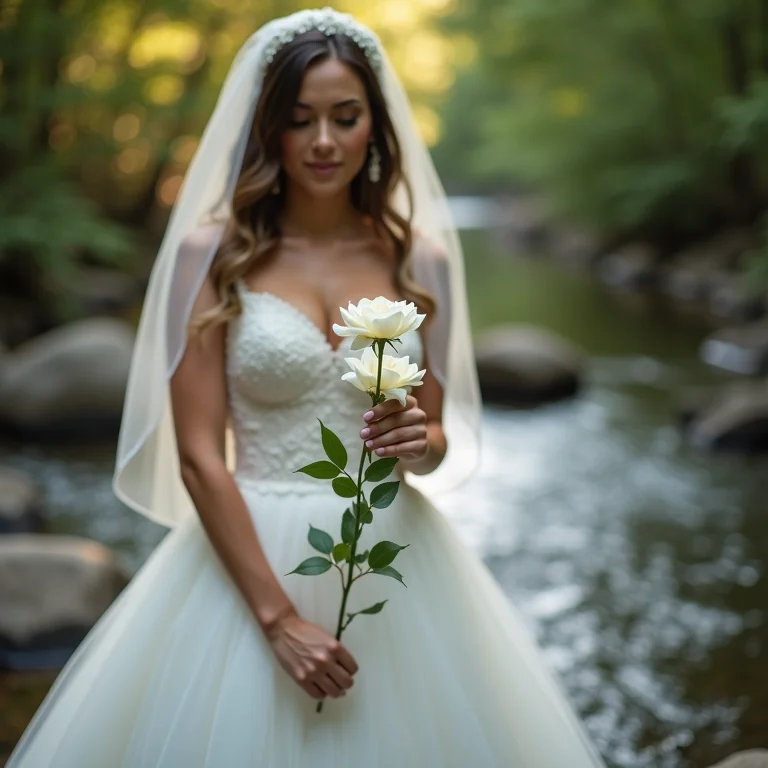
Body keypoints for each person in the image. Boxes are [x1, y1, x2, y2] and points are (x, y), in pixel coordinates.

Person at [7, 8, 606, 766]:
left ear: (374, 128)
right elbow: (197, 454)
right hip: (247, 555)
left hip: (396, 557)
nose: (324, 141)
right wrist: (278, 619)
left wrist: (420, 441)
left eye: (344, 117)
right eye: (300, 120)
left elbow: (437, 438)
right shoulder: (211, 254)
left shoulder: (422, 260)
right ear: (270, 131)